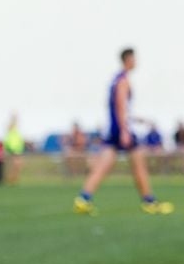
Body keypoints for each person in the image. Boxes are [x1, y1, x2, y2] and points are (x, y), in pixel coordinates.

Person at [73, 48, 173, 215]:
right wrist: (125, 130)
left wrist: (134, 120)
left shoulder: (115, 79)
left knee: (104, 165)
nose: (136, 62)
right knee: (139, 163)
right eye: (134, 59)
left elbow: (118, 108)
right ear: (128, 60)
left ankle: (83, 199)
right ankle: (149, 202)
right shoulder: (123, 80)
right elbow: (120, 105)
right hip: (121, 129)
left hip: (114, 127)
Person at [3, 113, 25, 185]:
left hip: (17, 149)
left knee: (16, 165)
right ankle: (11, 179)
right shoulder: (11, 129)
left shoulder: (15, 130)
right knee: (15, 165)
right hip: (14, 149)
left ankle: (13, 179)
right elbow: (10, 140)